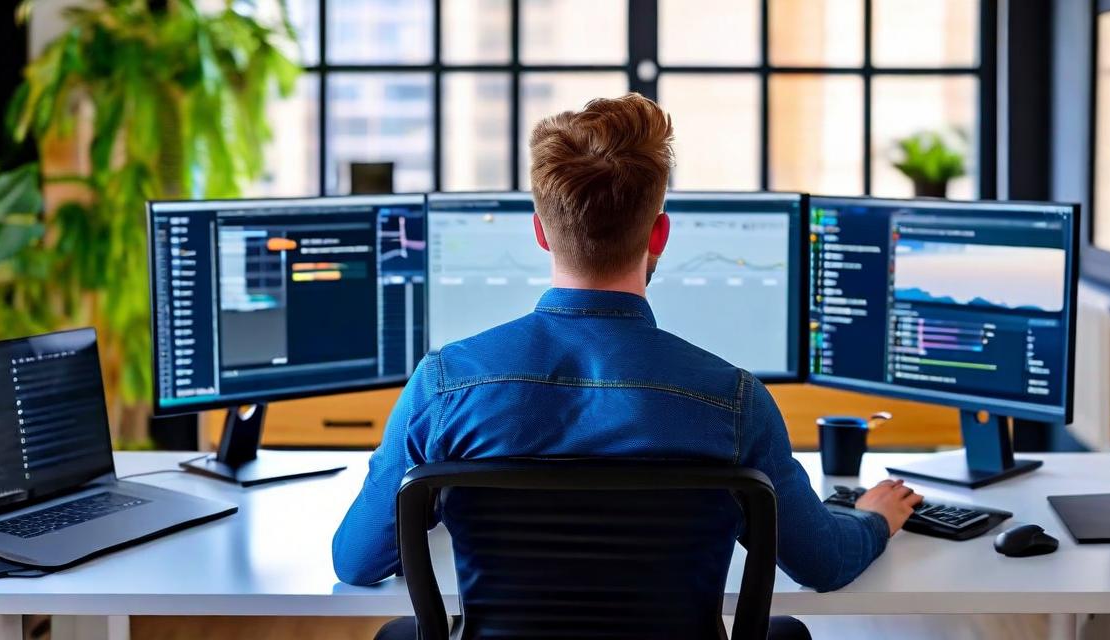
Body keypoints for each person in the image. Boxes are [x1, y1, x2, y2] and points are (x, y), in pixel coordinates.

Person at [332, 93, 924, 640]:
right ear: (659, 233)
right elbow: (822, 563)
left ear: (540, 232)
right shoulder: (735, 403)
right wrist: (872, 520)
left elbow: (356, 561)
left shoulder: (444, 387)